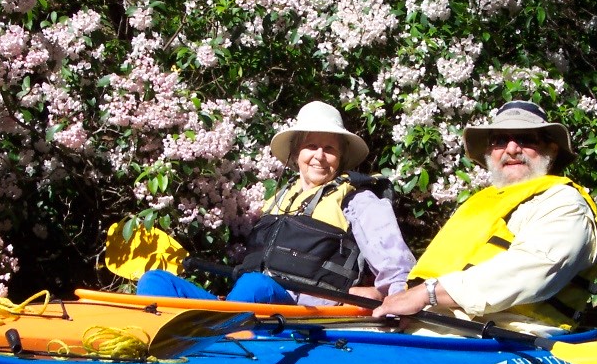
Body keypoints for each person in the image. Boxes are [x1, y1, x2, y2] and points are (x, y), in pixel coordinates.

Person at [137, 101, 417, 305]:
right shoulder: (277, 200)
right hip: (251, 302)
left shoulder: (358, 199)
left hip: (305, 310)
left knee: (254, 285)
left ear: (341, 158)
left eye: (329, 149)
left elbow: (394, 263)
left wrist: (387, 295)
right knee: (155, 280)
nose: (319, 156)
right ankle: (166, 341)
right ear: (296, 153)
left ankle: (223, 338)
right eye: (311, 146)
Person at [372, 100, 597, 336]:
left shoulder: (564, 202)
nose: (511, 149)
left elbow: (533, 271)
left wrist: (427, 294)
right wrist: (390, 296)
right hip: (439, 321)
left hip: (510, 333)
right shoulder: (483, 202)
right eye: (500, 140)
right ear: (490, 152)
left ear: (551, 150)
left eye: (526, 140)